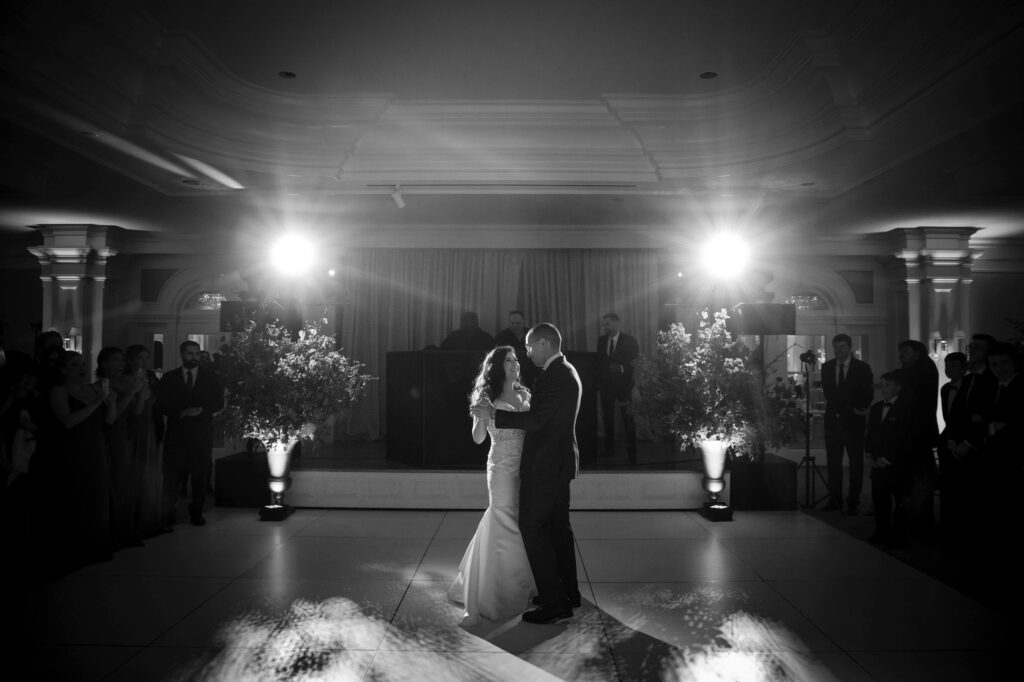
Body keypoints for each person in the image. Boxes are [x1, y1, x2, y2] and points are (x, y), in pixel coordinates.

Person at [472, 323, 581, 624]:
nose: (527, 353)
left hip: (545, 466)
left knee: (532, 527)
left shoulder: (558, 375)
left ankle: (556, 601)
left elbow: (536, 421)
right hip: (549, 464)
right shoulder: (564, 371)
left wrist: (495, 414)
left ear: (544, 344)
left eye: (530, 347)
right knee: (558, 529)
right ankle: (568, 593)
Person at [448, 346, 536, 625]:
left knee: (522, 521)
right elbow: (477, 439)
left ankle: (522, 582)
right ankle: (491, 590)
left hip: (527, 465)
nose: (514, 363)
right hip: (501, 465)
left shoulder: (526, 394)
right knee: (502, 517)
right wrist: (480, 416)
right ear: (497, 366)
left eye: (516, 359)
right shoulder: (487, 397)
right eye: (508, 360)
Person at [48, 350, 117, 567]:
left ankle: (97, 546)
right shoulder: (58, 391)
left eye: (83, 364)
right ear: (63, 369)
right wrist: (97, 402)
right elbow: (68, 421)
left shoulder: (90, 389)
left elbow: (110, 421)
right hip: (74, 449)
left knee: (98, 498)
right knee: (77, 496)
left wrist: (111, 402)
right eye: (76, 364)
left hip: (97, 448)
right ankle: (76, 550)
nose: (81, 368)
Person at [156, 341, 224, 527]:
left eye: (196, 353)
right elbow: (161, 404)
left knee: (200, 476)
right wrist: (181, 412)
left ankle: (196, 512)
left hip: (201, 434)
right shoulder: (169, 378)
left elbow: (219, 402)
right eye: (189, 353)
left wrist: (202, 410)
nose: (193, 357)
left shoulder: (210, 377)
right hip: (177, 434)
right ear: (181, 354)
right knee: (171, 477)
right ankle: (168, 513)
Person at [97, 347, 147, 549]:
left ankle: (128, 529)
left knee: (129, 483)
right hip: (113, 433)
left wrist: (141, 393)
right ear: (103, 364)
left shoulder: (128, 381)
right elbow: (112, 416)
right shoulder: (101, 385)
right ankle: (114, 531)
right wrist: (132, 393)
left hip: (129, 432)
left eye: (121, 360)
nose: (120, 364)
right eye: (115, 360)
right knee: (116, 481)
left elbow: (137, 411)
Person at [820, 333, 874, 513]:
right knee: (833, 465)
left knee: (856, 465)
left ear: (850, 347)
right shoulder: (827, 367)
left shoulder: (862, 367)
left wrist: (856, 408)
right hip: (833, 422)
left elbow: (868, 392)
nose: (838, 350)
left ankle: (853, 501)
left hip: (853, 422)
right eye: (836, 347)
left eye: (842, 347)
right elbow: (829, 394)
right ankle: (834, 500)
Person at [898, 339, 940, 539]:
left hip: (919, 432)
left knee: (921, 477)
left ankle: (922, 523)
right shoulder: (915, 368)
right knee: (914, 477)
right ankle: (917, 521)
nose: (901, 355)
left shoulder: (923, 368)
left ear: (917, 352)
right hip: (914, 431)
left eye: (905, 351)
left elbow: (907, 387)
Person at [866, 370, 912, 547]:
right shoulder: (877, 408)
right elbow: (870, 434)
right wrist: (869, 453)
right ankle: (881, 531)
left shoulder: (906, 408)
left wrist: (888, 458)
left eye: (888, 385)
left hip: (897, 464)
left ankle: (899, 536)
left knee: (900, 501)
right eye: (882, 385)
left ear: (898, 387)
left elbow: (905, 436)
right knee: (880, 500)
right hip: (877, 463)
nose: (884, 389)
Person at [125, 344, 164, 537]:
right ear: (131, 360)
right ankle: (134, 520)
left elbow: (159, 401)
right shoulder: (126, 380)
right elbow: (135, 410)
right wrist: (140, 392)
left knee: (150, 472)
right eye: (140, 358)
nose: (144, 362)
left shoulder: (151, 377)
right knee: (136, 471)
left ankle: (150, 518)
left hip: (151, 425)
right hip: (134, 426)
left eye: (147, 357)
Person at [597, 313, 639, 462]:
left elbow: (635, 364)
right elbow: (600, 364)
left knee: (628, 419)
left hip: (624, 386)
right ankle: (609, 450)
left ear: (616, 324)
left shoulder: (630, 341)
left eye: (607, 324)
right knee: (607, 418)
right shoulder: (601, 341)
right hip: (606, 387)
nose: (605, 327)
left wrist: (620, 368)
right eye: (604, 324)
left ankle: (632, 452)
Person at [494, 310, 536, 388]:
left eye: (518, 323)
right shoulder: (501, 337)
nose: (515, 326)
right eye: (512, 323)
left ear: (523, 322)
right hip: (509, 375)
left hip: (529, 374)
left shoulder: (532, 335)